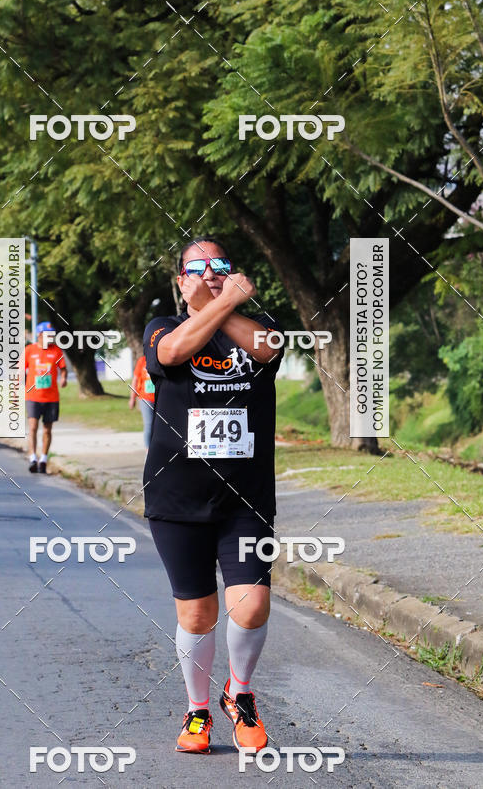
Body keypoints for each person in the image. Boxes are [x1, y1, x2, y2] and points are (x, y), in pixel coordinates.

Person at [143, 235, 283, 756]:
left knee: (250, 606)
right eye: (198, 268)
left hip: (243, 501)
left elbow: (271, 349)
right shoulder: (162, 326)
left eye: (220, 267)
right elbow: (174, 352)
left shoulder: (255, 331)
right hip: (177, 501)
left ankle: (240, 695)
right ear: (179, 281)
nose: (210, 274)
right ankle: (198, 709)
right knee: (197, 616)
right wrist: (220, 302)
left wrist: (218, 306)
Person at [24, 321, 67, 473]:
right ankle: (32, 458)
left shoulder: (56, 351)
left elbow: (63, 368)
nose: (51, 337)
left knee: (47, 429)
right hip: (33, 396)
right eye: (48, 335)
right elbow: (21, 370)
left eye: (52, 335)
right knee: (33, 427)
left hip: (51, 397)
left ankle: (43, 458)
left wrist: (63, 378)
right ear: (39, 335)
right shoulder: (29, 350)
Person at [128, 354, 155, 448]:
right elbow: (135, 380)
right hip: (146, 398)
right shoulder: (142, 361)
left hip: (160, 399)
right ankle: (148, 450)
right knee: (149, 424)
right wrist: (132, 398)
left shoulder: (162, 358)